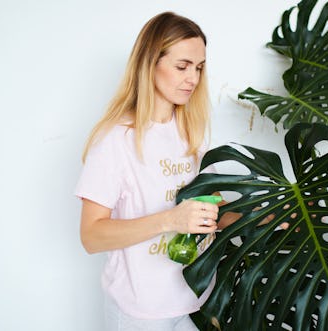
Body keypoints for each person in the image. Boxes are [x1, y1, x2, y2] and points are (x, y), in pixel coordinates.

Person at [75, 11, 226, 330]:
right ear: (150, 63)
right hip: (139, 314)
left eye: (199, 68)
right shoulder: (116, 141)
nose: (193, 79)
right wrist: (170, 219)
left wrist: (272, 218)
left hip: (191, 300)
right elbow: (91, 236)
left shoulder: (191, 134)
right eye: (182, 66)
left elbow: (209, 209)